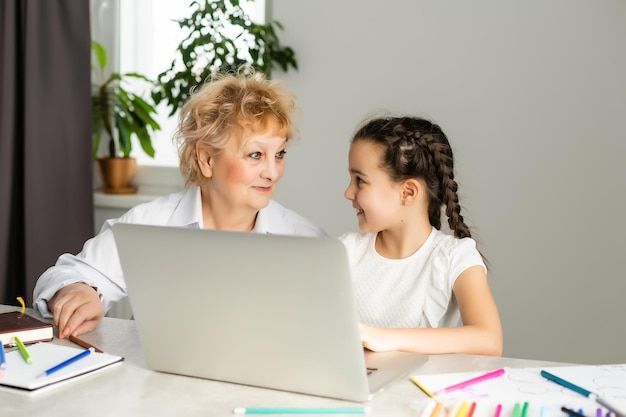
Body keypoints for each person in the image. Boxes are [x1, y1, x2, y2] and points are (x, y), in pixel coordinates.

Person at [33, 71, 326, 338]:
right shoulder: (150, 224)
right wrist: (77, 290)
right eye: (255, 155)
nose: (273, 172)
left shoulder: (306, 240)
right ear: (207, 159)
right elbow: (62, 275)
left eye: (280, 154)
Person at [339, 115, 502, 356]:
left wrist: (385, 338)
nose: (348, 192)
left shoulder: (455, 257)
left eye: (360, 181)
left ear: (408, 192)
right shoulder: (344, 251)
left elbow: (489, 340)